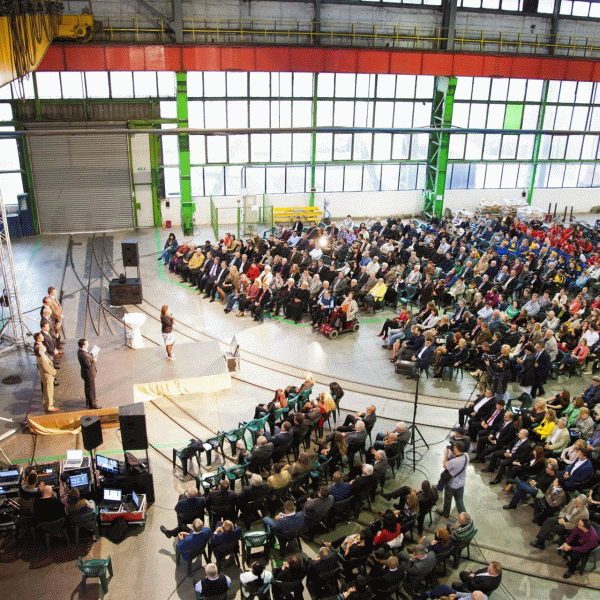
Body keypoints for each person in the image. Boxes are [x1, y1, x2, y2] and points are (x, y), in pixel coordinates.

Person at [438, 440, 468, 518]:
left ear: (456, 449)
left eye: (454, 447)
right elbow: (456, 456)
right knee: (459, 502)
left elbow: (445, 465)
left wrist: (446, 454)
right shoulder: (466, 456)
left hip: (451, 485)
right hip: (461, 484)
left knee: (447, 500)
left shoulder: (454, 462)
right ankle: (465, 518)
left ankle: (445, 514)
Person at [35, 343, 58, 413]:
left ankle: (46, 404)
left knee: (47, 391)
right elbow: (47, 368)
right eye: (43, 347)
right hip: (47, 377)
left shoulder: (41, 356)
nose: (44, 347)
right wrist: (54, 372)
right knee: (49, 392)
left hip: (45, 376)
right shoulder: (42, 359)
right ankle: (49, 407)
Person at [77, 338, 99, 409]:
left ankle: (89, 401)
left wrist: (92, 357)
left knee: (87, 387)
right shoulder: (83, 354)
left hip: (86, 373)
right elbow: (89, 365)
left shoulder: (81, 351)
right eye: (86, 343)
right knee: (91, 388)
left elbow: (88, 356)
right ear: (83, 346)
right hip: (88, 374)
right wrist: (94, 360)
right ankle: (93, 403)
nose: (88, 344)